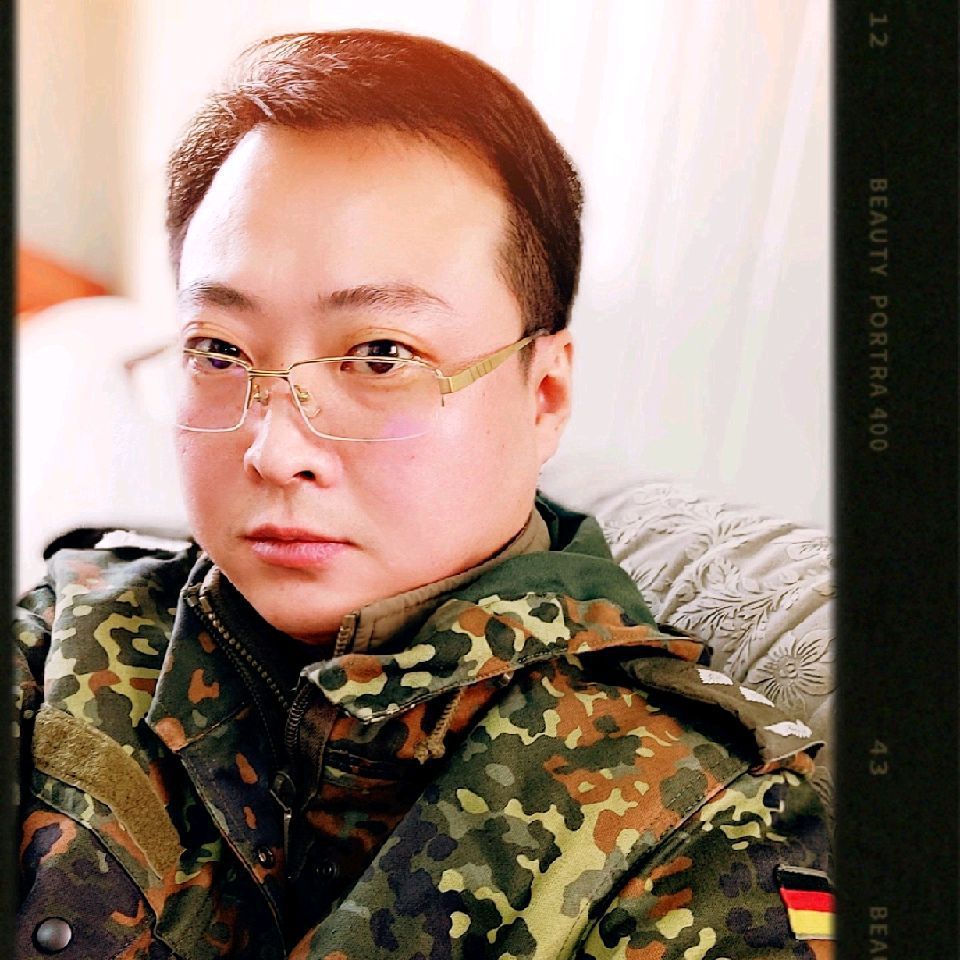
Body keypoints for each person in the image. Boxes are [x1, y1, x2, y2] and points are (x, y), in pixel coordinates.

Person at [14, 29, 833, 960]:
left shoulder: (709, 822)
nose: (276, 451)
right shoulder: (65, 645)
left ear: (543, 393)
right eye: (220, 351)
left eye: (381, 355)